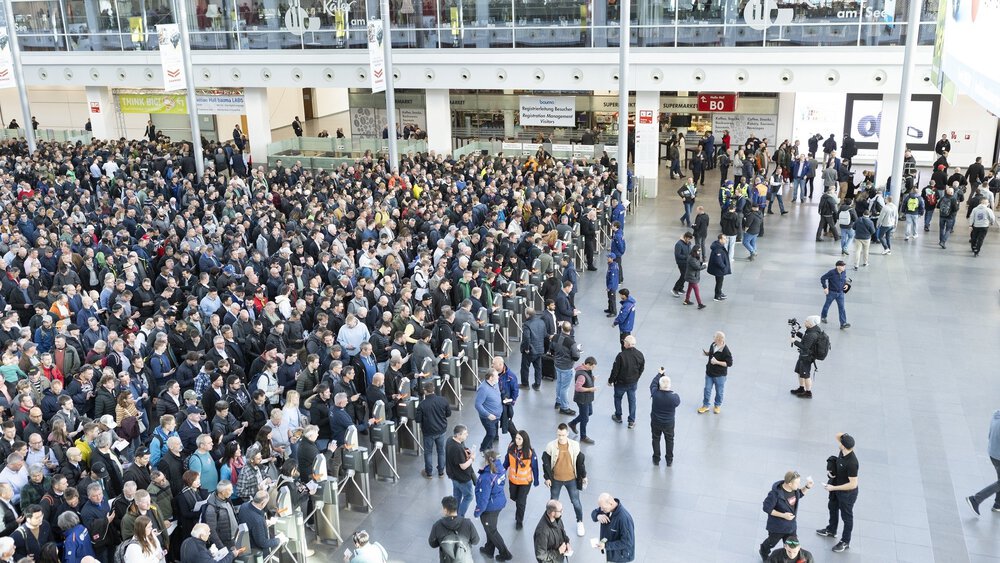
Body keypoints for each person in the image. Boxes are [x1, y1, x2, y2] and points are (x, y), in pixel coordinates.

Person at [816, 433, 860, 553]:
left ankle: (845, 541)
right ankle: (831, 530)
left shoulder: (852, 462)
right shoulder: (843, 451)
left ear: (843, 446)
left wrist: (833, 488)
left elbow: (853, 484)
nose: (838, 442)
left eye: (840, 442)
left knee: (847, 517)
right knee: (832, 507)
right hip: (836, 487)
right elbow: (837, 435)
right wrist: (845, 436)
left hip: (847, 494)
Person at [542, 424, 587, 537]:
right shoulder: (551, 446)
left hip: (571, 479)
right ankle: (552, 523)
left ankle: (580, 522)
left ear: (567, 433)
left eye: (563, 435)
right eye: (559, 435)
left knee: (576, 502)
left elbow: (580, 462)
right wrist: (547, 478)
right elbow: (545, 463)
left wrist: (584, 476)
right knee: (553, 503)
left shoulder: (574, 445)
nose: (561, 437)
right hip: (556, 480)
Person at [759, 471, 814, 560]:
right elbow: (767, 508)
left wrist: (807, 487)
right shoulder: (775, 494)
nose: (799, 485)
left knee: (792, 546)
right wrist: (783, 515)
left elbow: (800, 494)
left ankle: (788, 559)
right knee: (771, 542)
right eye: (797, 483)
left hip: (791, 526)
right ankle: (763, 551)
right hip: (777, 527)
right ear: (789, 484)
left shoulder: (794, 490)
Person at [473, 450, 512, 561]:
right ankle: (489, 549)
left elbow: (483, 498)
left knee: (492, 530)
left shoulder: (486, 477)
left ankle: (505, 553)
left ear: (486, 460)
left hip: (490, 507)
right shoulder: (500, 469)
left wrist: (477, 511)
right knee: (490, 528)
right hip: (498, 502)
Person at [965, 409, 1000, 516]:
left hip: (993, 453)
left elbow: (990, 434)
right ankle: (975, 500)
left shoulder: (996, 414)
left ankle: (998, 504)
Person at [503, 430, 539, 530]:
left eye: (519, 439)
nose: (517, 440)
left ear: (524, 440)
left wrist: (536, 480)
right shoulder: (511, 448)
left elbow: (535, 467)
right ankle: (518, 504)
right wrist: (501, 472)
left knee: (521, 502)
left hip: (525, 481)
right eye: (516, 438)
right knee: (513, 497)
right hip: (513, 480)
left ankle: (519, 521)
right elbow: (506, 461)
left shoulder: (530, 452)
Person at [428, 495, 479, 563]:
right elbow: (476, 541)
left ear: (445, 510)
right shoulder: (467, 523)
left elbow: (432, 544)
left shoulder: (437, 525)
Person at [417, 381, 451, 479]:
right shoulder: (443, 400)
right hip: (441, 430)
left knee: (428, 452)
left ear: (425, 391)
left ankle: (429, 473)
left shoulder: (422, 404)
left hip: (428, 432)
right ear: (433, 390)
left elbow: (418, 419)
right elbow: (448, 414)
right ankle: (441, 472)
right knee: (441, 451)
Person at [609, 335, 644, 429]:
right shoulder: (640, 354)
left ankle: (618, 416)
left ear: (627, 344)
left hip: (621, 383)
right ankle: (631, 421)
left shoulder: (621, 356)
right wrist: (637, 378)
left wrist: (611, 380)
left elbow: (615, 370)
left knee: (618, 398)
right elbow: (641, 368)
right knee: (632, 400)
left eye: (624, 341)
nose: (623, 343)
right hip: (633, 383)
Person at [590, 493, 635, 563]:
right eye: (600, 507)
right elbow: (594, 513)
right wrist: (598, 516)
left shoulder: (624, 519)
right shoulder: (606, 508)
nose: (601, 510)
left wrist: (606, 545)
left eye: (603, 508)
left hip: (620, 557)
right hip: (611, 552)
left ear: (611, 503)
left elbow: (627, 542)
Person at [238, 490, 284, 555]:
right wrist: (278, 540)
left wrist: (264, 524)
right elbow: (263, 543)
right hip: (257, 552)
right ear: (262, 503)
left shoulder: (243, 506)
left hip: (245, 544)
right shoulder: (258, 520)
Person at [697, 332, 733, 414]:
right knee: (707, 390)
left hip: (720, 376)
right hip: (709, 373)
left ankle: (717, 405)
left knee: (719, 391)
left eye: (715, 336)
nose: (713, 337)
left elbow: (729, 363)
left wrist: (717, 362)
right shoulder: (713, 345)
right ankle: (705, 405)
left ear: (719, 339)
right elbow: (712, 353)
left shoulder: (726, 351)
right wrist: (707, 353)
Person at [649, 368, 679, 466]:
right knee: (669, 440)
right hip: (669, 423)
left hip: (656, 421)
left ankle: (656, 458)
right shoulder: (674, 397)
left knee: (656, 439)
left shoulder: (655, 394)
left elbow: (653, 384)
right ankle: (669, 460)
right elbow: (677, 402)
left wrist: (659, 374)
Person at [550, 322, 581, 416]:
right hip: (567, 367)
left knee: (559, 384)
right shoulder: (571, 342)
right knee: (565, 388)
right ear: (570, 329)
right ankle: (564, 407)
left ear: (562, 328)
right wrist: (578, 350)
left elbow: (551, 349)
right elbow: (576, 357)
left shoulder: (555, 337)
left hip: (557, 365)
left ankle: (558, 402)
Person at [445, 425, 476, 518]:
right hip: (462, 478)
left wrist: (466, 452)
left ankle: (454, 514)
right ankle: (460, 516)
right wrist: (472, 459)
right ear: (458, 435)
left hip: (453, 476)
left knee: (457, 495)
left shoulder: (450, 440)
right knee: (468, 496)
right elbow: (463, 466)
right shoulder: (457, 448)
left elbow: (462, 450)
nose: (467, 435)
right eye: (465, 433)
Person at [789, 316, 823, 398]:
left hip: (806, 358)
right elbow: (805, 338)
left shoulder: (812, 334)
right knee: (800, 372)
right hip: (803, 356)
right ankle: (801, 388)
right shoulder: (812, 330)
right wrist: (797, 333)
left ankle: (808, 392)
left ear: (811, 323)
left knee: (806, 375)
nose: (805, 322)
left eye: (807, 321)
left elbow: (805, 347)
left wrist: (794, 341)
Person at [568, 357, 598, 444]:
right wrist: (590, 389)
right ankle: (583, 436)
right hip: (582, 399)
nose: (593, 368)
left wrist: (592, 379)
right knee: (585, 418)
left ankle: (573, 423)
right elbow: (578, 388)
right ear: (588, 364)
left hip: (587, 398)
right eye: (592, 367)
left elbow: (586, 381)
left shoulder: (587, 371)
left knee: (589, 412)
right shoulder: (581, 375)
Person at [474, 370, 502, 452]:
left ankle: (489, 449)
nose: (498, 377)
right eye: (496, 376)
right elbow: (478, 404)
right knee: (491, 434)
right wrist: (488, 415)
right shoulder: (483, 389)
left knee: (493, 434)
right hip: (488, 418)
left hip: (496, 416)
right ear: (491, 377)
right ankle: (483, 449)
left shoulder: (495, 384)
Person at [820, 261, 850, 330]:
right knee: (827, 305)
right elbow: (822, 278)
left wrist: (846, 284)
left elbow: (844, 278)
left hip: (840, 293)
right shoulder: (831, 272)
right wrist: (825, 288)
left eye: (844, 266)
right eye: (842, 266)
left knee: (842, 308)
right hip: (831, 293)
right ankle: (823, 317)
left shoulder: (844, 272)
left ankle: (843, 323)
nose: (844, 267)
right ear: (838, 266)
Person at [707, 234, 731, 301]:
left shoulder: (719, 246)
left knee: (720, 282)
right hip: (718, 269)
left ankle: (719, 292)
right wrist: (723, 267)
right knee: (719, 282)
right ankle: (717, 296)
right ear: (720, 239)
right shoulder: (718, 248)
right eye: (724, 239)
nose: (726, 240)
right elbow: (718, 260)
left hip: (719, 269)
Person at [670, 233, 694, 297]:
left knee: (685, 276)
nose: (689, 240)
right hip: (681, 263)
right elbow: (677, 255)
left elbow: (689, 251)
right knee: (683, 276)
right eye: (688, 239)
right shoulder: (679, 244)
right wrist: (687, 257)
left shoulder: (688, 243)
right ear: (685, 237)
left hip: (686, 262)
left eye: (690, 239)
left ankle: (680, 289)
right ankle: (675, 289)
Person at [605, 253, 620, 318]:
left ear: (612, 258)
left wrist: (609, 287)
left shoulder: (613, 267)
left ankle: (613, 312)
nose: (607, 258)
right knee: (609, 298)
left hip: (612, 286)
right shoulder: (611, 265)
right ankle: (610, 309)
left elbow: (612, 279)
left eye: (608, 257)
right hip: (610, 285)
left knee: (612, 299)